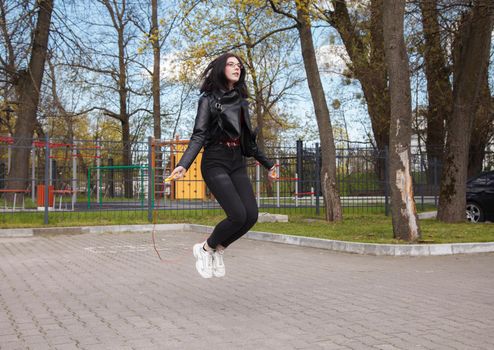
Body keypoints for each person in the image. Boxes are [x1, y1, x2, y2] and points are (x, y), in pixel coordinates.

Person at [169, 53, 277, 278]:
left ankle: (218, 249)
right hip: (215, 161)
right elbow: (198, 135)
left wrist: (269, 165)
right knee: (237, 214)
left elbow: (249, 142)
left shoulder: (241, 102)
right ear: (221, 68)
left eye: (239, 65)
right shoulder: (207, 100)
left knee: (251, 216)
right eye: (231, 64)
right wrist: (183, 164)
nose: (236, 68)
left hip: (236, 161)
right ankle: (205, 248)